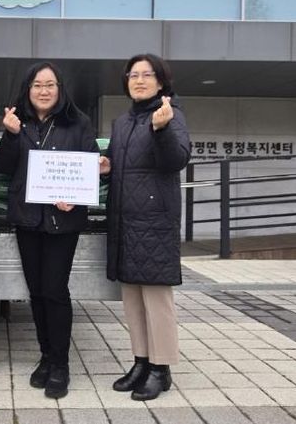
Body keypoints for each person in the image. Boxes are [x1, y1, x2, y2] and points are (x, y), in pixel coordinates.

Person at [0, 61, 99, 399]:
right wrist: (10, 134)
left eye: (50, 84)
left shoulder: (78, 122)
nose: (43, 91)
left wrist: (75, 196)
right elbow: (3, 166)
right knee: (36, 292)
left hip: (63, 222)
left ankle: (61, 364)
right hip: (27, 219)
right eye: (37, 85)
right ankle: (46, 356)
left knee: (55, 291)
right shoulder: (17, 122)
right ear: (27, 89)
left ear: (60, 89)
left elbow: (91, 164)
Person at [102, 53, 190, 401]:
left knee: (156, 299)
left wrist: (162, 129)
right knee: (133, 299)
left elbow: (176, 159)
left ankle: (161, 368)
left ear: (161, 81)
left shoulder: (170, 115)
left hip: (154, 224)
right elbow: (119, 165)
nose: (138, 80)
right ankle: (141, 362)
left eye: (146, 74)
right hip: (125, 221)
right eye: (133, 75)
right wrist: (106, 166)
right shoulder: (122, 122)